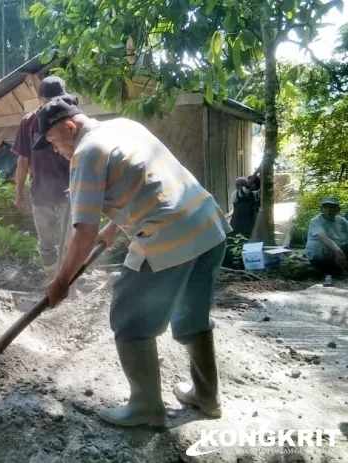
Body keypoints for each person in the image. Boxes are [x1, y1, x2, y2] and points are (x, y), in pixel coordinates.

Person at [38, 98, 231, 427]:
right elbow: (147, 180)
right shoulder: (124, 126)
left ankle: (145, 408)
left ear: (69, 126)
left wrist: (62, 280)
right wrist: (113, 228)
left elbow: (82, 233)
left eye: (54, 142)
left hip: (168, 236)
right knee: (192, 312)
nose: (55, 150)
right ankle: (206, 395)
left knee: (129, 316)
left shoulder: (86, 153)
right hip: (207, 226)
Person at [12, 77, 78, 294]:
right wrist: (19, 193)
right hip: (42, 193)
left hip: (69, 192)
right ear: (41, 99)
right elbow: (23, 159)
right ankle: (55, 282)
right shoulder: (29, 123)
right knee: (48, 243)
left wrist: (19, 193)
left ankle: (70, 284)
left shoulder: (70, 119)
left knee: (69, 241)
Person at [306, 196, 348, 278]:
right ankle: (337, 270)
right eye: (326, 207)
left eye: (332, 207)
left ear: (338, 209)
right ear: (321, 209)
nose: (328, 209)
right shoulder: (316, 221)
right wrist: (338, 251)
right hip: (320, 256)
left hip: (337, 254)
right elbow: (324, 238)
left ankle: (338, 270)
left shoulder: (341, 221)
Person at [229, 174, 260, 238]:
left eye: (243, 184)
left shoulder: (253, 194)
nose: (240, 187)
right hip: (237, 226)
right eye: (238, 185)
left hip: (250, 226)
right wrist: (256, 172)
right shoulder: (234, 195)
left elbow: (261, 193)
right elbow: (245, 190)